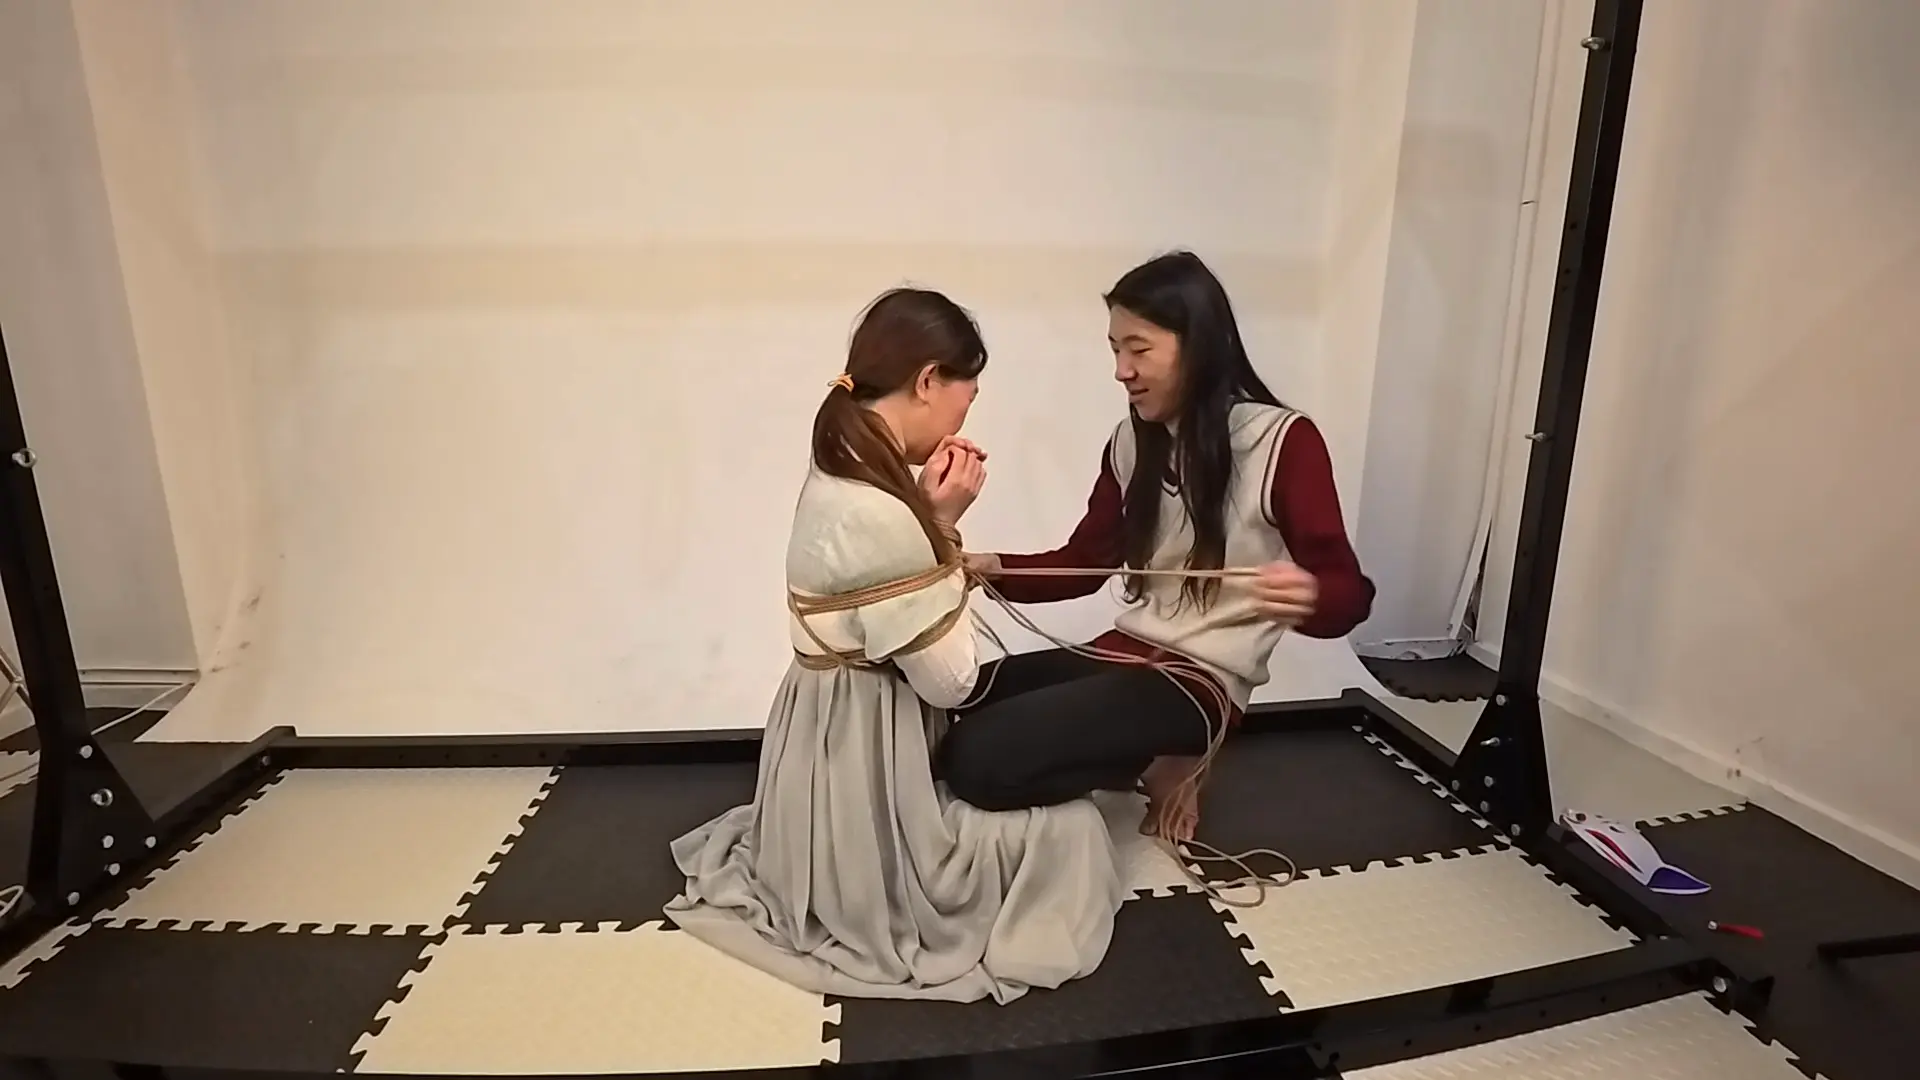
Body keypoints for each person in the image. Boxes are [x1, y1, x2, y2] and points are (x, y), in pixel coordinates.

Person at [666, 287, 1128, 1006]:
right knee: (1073, 832)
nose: (963, 420)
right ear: (928, 380)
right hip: (861, 749)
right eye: (966, 399)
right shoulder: (879, 511)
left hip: (822, 732)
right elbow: (951, 682)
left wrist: (929, 526)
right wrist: (943, 526)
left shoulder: (844, 455)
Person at [940, 251, 1375, 842]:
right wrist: (992, 568)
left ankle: (1164, 760)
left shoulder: (1281, 441)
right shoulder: (1129, 442)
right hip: (1126, 652)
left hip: (1201, 683)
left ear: (1198, 346)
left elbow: (1349, 593)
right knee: (955, 703)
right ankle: (1141, 760)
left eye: (1138, 349)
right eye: (1115, 350)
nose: (1122, 371)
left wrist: (1312, 596)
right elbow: (1086, 562)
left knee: (977, 761)